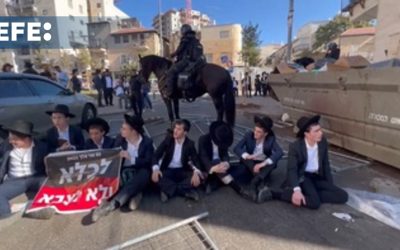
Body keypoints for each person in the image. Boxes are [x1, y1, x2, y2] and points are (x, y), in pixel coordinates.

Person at [90, 115, 153, 222]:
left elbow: (148, 161)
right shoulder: (120, 139)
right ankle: (134, 195)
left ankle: (112, 206)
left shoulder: (147, 142)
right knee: (116, 181)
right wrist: (116, 155)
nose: (121, 130)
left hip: (139, 172)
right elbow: (112, 154)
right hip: (124, 172)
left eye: (124, 128)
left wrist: (131, 158)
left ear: (133, 131)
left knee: (142, 175)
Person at [281, 115, 348, 209]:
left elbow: (325, 164)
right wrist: (296, 190)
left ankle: (311, 195)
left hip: (316, 177)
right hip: (303, 177)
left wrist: (330, 185)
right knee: (314, 203)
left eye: (320, 129)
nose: (320, 133)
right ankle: (284, 194)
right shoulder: (295, 147)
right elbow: (292, 170)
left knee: (343, 196)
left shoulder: (322, 142)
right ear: (306, 134)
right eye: (316, 131)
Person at [0, 120, 47, 219]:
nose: (11, 141)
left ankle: (36, 208)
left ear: (26, 139)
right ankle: (7, 218)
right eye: (10, 138)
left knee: (50, 187)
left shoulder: (42, 147)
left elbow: (53, 159)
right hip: (15, 180)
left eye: (14, 139)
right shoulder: (6, 145)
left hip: (36, 177)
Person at [199, 121, 255, 199]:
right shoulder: (203, 139)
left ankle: (215, 183)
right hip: (209, 168)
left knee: (242, 168)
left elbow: (225, 154)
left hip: (221, 168)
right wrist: (212, 168)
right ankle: (238, 189)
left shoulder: (223, 139)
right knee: (216, 162)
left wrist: (226, 163)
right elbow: (203, 157)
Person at [234, 115, 284, 202]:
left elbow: (280, 152)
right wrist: (246, 155)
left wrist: (263, 164)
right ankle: (260, 181)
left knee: (273, 162)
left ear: (265, 134)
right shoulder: (249, 135)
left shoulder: (270, 139)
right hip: (250, 162)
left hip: (262, 164)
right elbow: (237, 148)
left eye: (259, 132)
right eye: (255, 130)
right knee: (245, 160)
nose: (255, 133)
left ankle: (254, 183)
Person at [151, 119, 203, 202]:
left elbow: (196, 160)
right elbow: (156, 155)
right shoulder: (168, 139)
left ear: (185, 132)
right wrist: (155, 169)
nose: (175, 131)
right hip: (168, 170)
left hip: (182, 170)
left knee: (199, 177)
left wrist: (196, 172)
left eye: (179, 129)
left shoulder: (190, 144)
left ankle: (168, 191)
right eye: (175, 128)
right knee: (155, 177)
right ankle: (185, 192)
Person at [165, 24, 204, 98]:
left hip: (186, 61)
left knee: (171, 72)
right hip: (197, 61)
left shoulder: (185, 39)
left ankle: (169, 93)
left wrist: (171, 55)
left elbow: (179, 50)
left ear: (183, 31)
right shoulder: (195, 39)